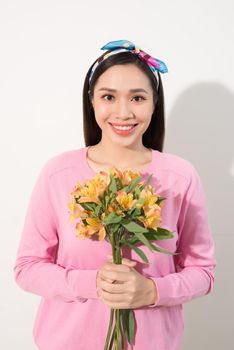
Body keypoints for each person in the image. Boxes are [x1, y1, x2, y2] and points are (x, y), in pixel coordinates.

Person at [13, 39, 217, 350]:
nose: (123, 112)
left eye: (137, 98)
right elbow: (27, 267)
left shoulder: (180, 177)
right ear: (92, 101)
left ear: (153, 104)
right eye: (109, 96)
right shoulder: (58, 173)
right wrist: (90, 282)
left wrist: (152, 291)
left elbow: (203, 272)